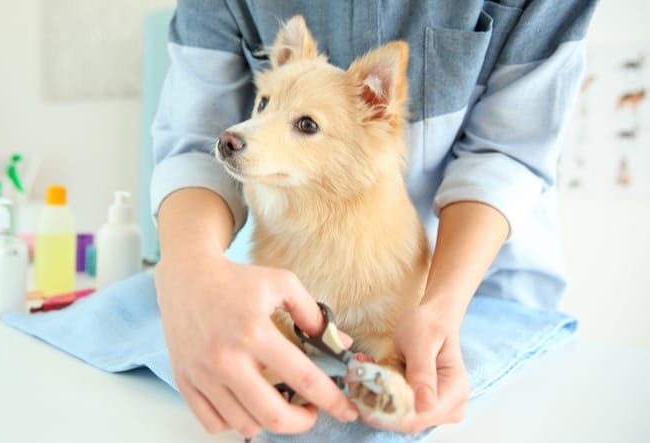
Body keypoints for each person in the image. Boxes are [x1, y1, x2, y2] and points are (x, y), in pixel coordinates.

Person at [150, 0, 598, 439]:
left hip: (487, 292)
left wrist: (437, 307)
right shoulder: (270, 250)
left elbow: (507, 152)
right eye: (263, 103)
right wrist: (190, 269)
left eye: (306, 124)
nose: (245, 133)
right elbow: (194, 139)